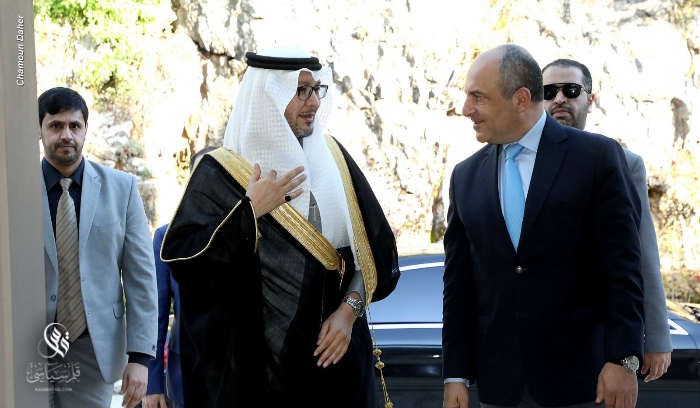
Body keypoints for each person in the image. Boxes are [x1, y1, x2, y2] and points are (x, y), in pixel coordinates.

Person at [160, 47, 400, 408]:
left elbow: (372, 250)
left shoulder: (334, 158)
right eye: (300, 90)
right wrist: (249, 210)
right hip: (258, 379)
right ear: (268, 95)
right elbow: (185, 262)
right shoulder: (222, 172)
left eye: (316, 89)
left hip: (339, 366)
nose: (313, 102)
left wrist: (348, 312)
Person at [442, 45, 645, 408]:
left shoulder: (597, 157)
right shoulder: (465, 177)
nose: (466, 108)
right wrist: (455, 374)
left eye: (478, 97)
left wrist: (623, 359)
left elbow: (623, 269)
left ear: (520, 99)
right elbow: (459, 288)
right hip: (498, 387)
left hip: (583, 383)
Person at [542, 58, 672, 382]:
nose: (559, 99)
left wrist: (657, 337)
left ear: (590, 99)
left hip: (596, 340)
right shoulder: (516, 160)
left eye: (571, 90)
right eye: (549, 91)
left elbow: (642, 251)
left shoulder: (624, 163)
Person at [39, 87, 157, 408]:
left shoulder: (122, 189)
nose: (66, 135)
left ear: (85, 129)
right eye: (56, 125)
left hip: (91, 348)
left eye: (74, 126)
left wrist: (140, 357)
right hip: (26, 346)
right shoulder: (15, 190)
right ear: (40, 130)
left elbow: (141, 278)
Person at [143, 146, 217, 408]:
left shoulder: (248, 233)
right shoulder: (166, 237)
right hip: (184, 370)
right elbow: (156, 312)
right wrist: (152, 384)